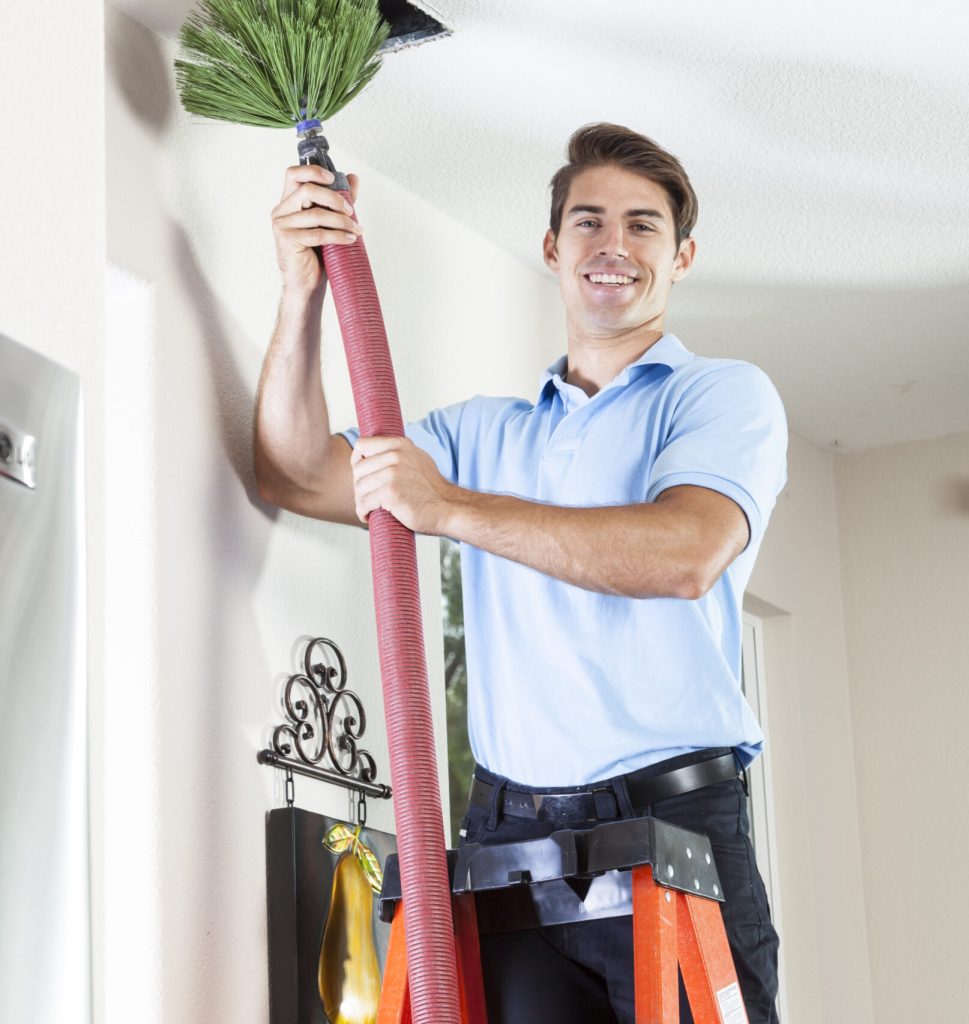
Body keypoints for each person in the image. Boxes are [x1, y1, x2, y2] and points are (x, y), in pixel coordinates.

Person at [255, 123, 787, 1024]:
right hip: (513, 840)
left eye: (642, 225)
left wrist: (452, 509)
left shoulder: (720, 396)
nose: (612, 245)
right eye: (587, 221)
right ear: (551, 247)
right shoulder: (481, 435)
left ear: (683, 254)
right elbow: (297, 472)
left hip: (675, 829)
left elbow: (686, 553)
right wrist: (302, 290)